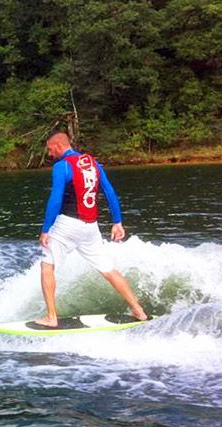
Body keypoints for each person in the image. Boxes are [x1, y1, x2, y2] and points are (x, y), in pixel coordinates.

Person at [36, 132, 148, 327]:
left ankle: (51, 317)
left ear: (59, 145)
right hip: (90, 227)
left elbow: (55, 199)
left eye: (50, 148)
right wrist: (117, 221)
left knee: (47, 266)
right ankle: (138, 311)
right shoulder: (93, 163)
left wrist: (46, 229)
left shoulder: (61, 166)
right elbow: (109, 191)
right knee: (108, 269)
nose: (49, 152)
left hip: (67, 225)